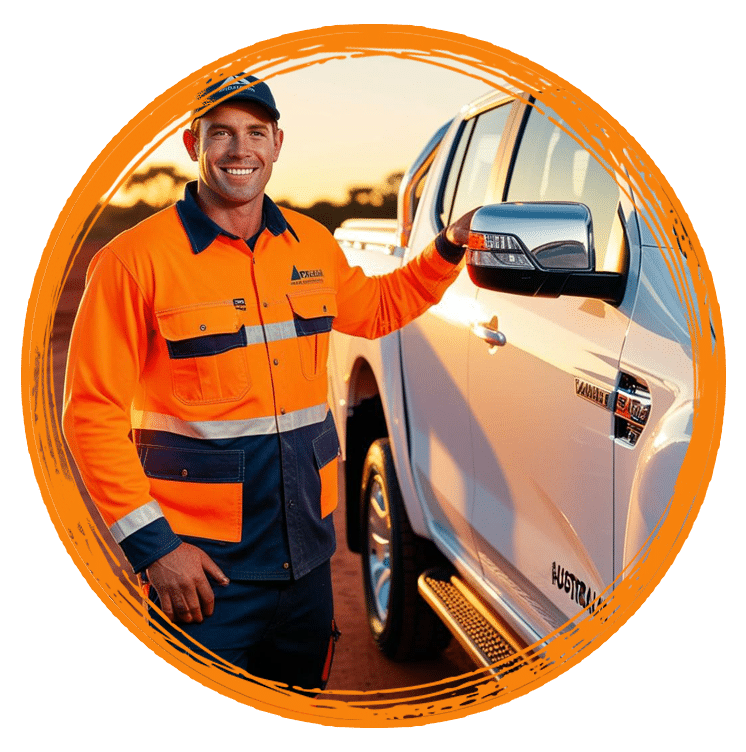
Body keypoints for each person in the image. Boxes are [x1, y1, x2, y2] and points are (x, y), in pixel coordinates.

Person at [62, 73, 476, 692]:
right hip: (203, 571)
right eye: (221, 133)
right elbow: (90, 413)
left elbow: (379, 307)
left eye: (255, 132)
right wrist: (155, 550)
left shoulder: (310, 243)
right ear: (191, 142)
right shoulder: (133, 261)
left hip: (306, 554)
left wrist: (447, 247)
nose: (240, 149)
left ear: (277, 143)